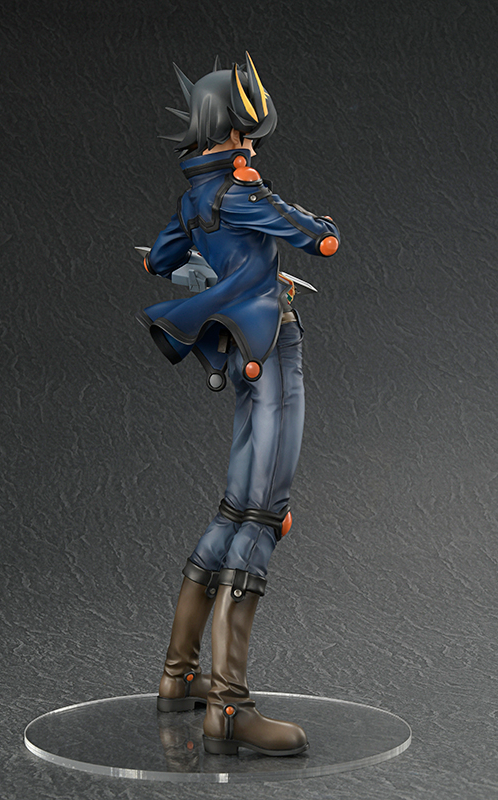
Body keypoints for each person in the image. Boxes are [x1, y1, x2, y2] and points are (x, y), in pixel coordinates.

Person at [138, 53, 340, 756]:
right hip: (271, 345)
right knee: (260, 516)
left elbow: (161, 259)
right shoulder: (237, 190)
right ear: (228, 129)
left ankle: (177, 676)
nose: (250, 143)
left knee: (233, 510)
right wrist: (297, 218)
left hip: (238, 347)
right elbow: (319, 238)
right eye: (245, 132)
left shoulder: (193, 198)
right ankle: (227, 707)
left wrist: (222, 262)